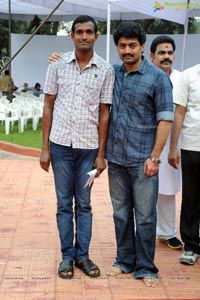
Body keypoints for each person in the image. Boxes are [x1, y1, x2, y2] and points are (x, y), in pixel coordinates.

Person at [40, 15, 115, 280]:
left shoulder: (105, 70)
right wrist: (45, 148)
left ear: (96, 36)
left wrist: (101, 154)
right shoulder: (57, 65)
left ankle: (82, 255)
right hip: (60, 147)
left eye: (89, 32)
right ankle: (66, 257)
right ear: (72, 36)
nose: (84, 36)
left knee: (83, 203)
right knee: (63, 203)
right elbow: (48, 105)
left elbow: (105, 112)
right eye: (79, 32)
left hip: (88, 150)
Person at [105, 22, 173, 287]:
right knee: (120, 214)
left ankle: (146, 267)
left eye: (132, 45)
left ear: (143, 47)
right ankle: (124, 261)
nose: (127, 50)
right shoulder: (112, 73)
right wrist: (59, 58)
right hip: (116, 159)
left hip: (144, 160)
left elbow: (165, 119)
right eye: (122, 46)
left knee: (145, 216)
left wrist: (154, 157)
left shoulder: (158, 78)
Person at [150, 36, 182, 250]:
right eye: (162, 53)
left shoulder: (182, 78)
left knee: (168, 190)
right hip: (146, 142)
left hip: (173, 143)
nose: (166, 57)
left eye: (169, 52)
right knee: (142, 191)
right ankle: (140, 231)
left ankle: (167, 232)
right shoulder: (145, 75)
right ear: (151, 56)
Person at [168, 63, 200, 265]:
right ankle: (191, 245)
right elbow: (179, 112)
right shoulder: (189, 75)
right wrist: (173, 147)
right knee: (191, 197)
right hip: (193, 146)